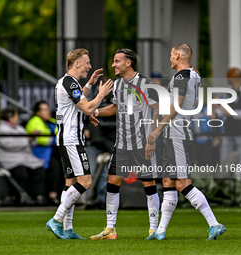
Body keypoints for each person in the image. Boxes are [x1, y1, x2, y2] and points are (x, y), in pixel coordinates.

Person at [147, 44, 226, 240]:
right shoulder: (192, 74)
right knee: (168, 182)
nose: (170, 59)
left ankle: (214, 224)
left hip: (178, 135)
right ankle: (160, 231)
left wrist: (158, 129)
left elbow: (177, 105)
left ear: (178, 56)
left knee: (182, 183)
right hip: (174, 135)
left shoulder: (183, 76)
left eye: (171, 56)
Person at [89, 48, 160, 240]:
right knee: (112, 183)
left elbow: (157, 110)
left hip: (142, 143)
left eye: (117, 61)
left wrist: (152, 137)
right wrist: (93, 112)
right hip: (122, 145)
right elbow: (114, 108)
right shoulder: (118, 85)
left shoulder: (145, 83)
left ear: (128, 63)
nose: (113, 65)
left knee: (148, 183)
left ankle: (154, 229)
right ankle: (110, 229)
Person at [46, 48, 113, 239]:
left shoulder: (68, 82)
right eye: (87, 62)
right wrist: (101, 94)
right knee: (86, 182)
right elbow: (87, 106)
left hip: (66, 138)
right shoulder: (69, 82)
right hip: (72, 140)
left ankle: (67, 229)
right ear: (77, 63)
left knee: (71, 183)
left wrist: (90, 84)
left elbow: (78, 102)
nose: (89, 66)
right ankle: (56, 220)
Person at [214, 67, 241, 188]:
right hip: (228, 133)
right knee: (225, 163)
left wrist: (231, 112)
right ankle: (227, 192)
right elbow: (222, 111)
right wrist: (216, 110)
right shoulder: (229, 93)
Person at [0, 106, 46, 205]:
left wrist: (31, 139)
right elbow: (8, 144)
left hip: (24, 157)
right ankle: (20, 199)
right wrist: (28, 139)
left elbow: (29, 144)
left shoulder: (20, 128)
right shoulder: (1, 128)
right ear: (10, 117)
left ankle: (36, 197)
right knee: (21, 173)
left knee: (39, 169)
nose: (18, 117)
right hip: (9, 159)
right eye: (16, 115)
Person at [26, 101, 63, 205]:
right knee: (54, 166)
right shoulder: (34, 121)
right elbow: (42, 140)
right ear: (38, 112)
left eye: (48, 109)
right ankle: (52, 195)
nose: (48, 112)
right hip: (39, 153)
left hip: (54, 151)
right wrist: (57, 140)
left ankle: (60, 195)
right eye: (44, 109)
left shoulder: (52, 121)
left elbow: (62, 133)